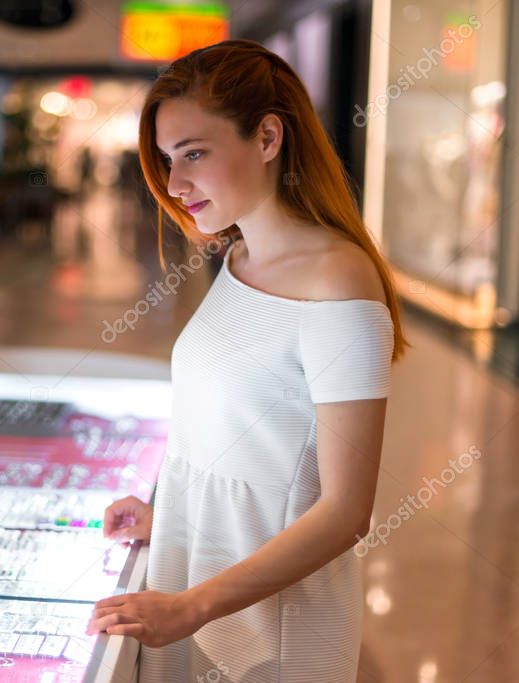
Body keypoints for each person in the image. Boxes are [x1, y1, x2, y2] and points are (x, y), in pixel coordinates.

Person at [86, 40, 409, 681]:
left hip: (270, 638)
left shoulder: (337, 282)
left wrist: (194, 605)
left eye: (194, 154)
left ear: (267, 137)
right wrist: (173, 517)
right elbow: (250, 444)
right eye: (167, 161)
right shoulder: (236, 260)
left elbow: (346, 512)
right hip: (196, 593)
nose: (176, 185)